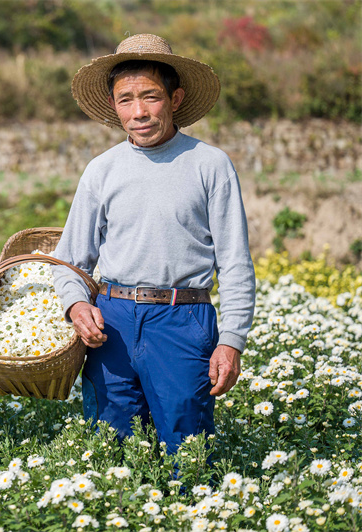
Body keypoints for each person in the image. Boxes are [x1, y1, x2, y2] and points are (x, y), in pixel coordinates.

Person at [52, 34, 255, 455]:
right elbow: (69, 259)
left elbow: (235, 264)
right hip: (113, 322)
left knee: (188, 446)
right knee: (111, 447)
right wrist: (76, 304)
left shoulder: (209, 165)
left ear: (176, 98)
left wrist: (231, 340)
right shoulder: (101, 170)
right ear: (113, 105)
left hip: (183, 319)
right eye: (126, 99)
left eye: (151, 97)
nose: (139, 112)